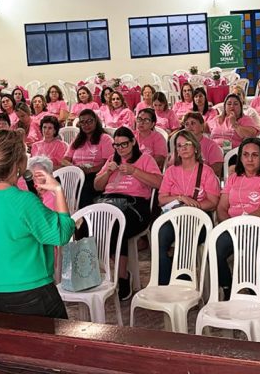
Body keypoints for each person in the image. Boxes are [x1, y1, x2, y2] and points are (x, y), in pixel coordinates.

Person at [0, 129, 74, 318]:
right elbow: (62, 234)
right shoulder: (23, 201)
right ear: (19, 163)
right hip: (33, 292)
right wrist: (57, 190)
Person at [93, 127, 162, 300]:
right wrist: (108, 172)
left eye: (124, 144)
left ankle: (122, 276)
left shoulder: (145, 159)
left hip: (134, 204)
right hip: (108, 201)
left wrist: (134, 171)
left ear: (133, 142)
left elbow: (159, 182)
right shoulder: (112, 159)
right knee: (85, 225)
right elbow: (97, 186)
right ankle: (89, 274)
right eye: (116, 145)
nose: (120, 149)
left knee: (116, 225)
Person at [216, 138, 260, 299]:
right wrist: (231, 225)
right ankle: (228, 289)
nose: (250, 159)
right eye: (245, 155)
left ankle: (255, 297)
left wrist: (243, 222)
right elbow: (221, 208)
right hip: (234, 227)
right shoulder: (233, 178)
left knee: (251, 249)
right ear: (240, 158)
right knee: (214, 248)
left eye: (255, 155)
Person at [156, 130, 221, 285]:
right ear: (176, 151)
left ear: (195, 147)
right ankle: (164, 284)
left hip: (198, 219)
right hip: (174, 217)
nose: (183, 148)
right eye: (179, 146)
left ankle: (183, 283)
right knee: (159, 237)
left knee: (185, 238)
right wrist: (180, 198)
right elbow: (162, 199)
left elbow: (213, 201)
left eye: (187, 144)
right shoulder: (171, 171)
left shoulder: (206, 171)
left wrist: (192, 206)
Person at [62, 109, 113, 208]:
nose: (86, 125)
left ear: (96, 121)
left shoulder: (105, 138)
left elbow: (107, 163)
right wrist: (75, 168)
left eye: (89, 121)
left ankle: (83, 215)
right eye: (82, 122)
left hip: (95, 174)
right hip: (76, 173)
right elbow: (64, 160)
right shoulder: (77, 139)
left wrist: (89, 170)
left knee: (84, 189)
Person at [180, 112, 224, 179]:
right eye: (187, 124)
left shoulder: (211, 145)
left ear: (202, 126)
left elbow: (217, 170)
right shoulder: (181, 145)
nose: (189, 127)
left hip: (204, 180)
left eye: (193, 123)